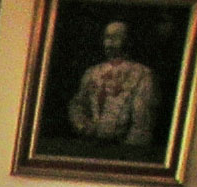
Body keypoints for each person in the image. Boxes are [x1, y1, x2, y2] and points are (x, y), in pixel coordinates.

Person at [67, 19, 158, 149]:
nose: (109, 42)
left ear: (128, 40)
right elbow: (78, 104)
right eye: (107, 37)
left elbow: (142, 118)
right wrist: (83, 127)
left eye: (115, 37)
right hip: (91, 144)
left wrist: (130, 148)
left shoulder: (142, 73)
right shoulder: (92, 72)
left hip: (123, 147)